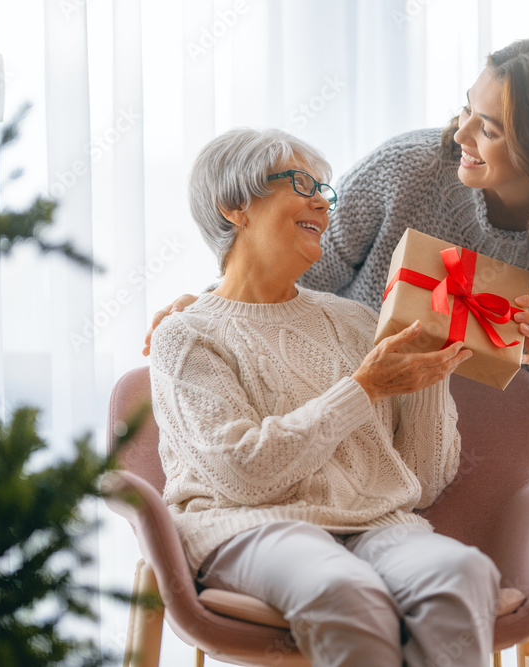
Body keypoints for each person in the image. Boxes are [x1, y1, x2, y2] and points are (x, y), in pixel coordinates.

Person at [144, 38, 529, 451]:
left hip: (475, 459)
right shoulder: (411, 169)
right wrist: (218, 304)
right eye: (468, 107)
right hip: (347, 422)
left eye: (487, 128)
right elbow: (301, 266)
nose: (460, 133)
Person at [148, 127, 499, 666]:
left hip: (377, 526)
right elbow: (245, 474)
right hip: (250, 526)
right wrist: (365, 388)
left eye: (324, 190)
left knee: (463, 573)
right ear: (235, 207)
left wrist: (432, 372)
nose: (321, 201)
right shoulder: (186, 334)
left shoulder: (357, 323)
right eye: (300, 183)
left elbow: (422, 484)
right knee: (343, 589)